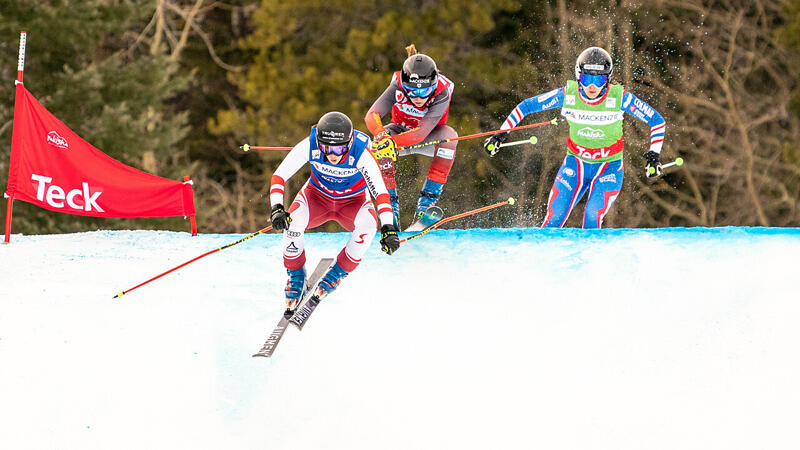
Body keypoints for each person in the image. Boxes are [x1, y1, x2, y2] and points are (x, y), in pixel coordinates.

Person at [484, 46, 667, 228]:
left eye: (600, 79)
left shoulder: (620, 98)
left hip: (608, 167)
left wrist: (653, 156)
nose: (592, 86)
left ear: (608, 78)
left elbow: (657, 121)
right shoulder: (568, 95)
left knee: (591, 216)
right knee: (554, 219)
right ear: (578, 76)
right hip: (575, 163)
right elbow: (525, 106)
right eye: (587, 79)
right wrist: (500, 135)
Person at [269, 111, 400, 312]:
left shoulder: (361, 151)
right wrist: (277, 208)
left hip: (352, 202)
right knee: (292, 222)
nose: (332, 155)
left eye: (339, 149)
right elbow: (278, 177)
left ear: (348, 143)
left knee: (369, 226)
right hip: (316, 198)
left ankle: (338, 273)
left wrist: (389, 227)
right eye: (326, 147)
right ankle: (295, 276)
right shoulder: (310, 145)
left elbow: (381, 194)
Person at [364, 44, 457, 231]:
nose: (418, 97)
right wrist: (383, 136)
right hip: (399, 131)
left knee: (450, 137)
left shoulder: (442, 91)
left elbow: (421, 133)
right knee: (377, 144)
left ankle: (425, 205)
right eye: (412, 91)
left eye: (424, 91)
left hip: (428, 137)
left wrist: (391, 142)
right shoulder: (397, 84)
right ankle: (390, 209)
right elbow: (372, 115)